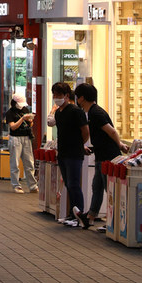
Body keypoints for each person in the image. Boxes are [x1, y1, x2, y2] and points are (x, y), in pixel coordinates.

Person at [72, 83, 129, 230]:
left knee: (108, 189)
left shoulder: (96, 113)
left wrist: (120, 145)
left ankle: (114, 221)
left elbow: (111, 131)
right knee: (97, 186)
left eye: (77, 97)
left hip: (108, 157)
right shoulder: (92, 112)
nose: (77, 99)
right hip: (101, 155)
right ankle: (90, 218)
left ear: (82, 98)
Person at [50, 82, 89, 226]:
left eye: (59, 95)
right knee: (68, 183)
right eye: (54, 95)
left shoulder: (75, 111)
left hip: (74, 153)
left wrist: (79, 145)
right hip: (63, 153)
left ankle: (79, 215)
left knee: (74, 184)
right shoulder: (58, 113)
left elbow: (85, 132)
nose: (56, 97)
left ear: (67, 96)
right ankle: (72, 215)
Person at [5, 94, 38, 194]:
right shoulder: (10, 113)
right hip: (15, 138)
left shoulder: (25, 110)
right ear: (15, 103)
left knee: (29, 162)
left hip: (26, 138)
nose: (22, 106)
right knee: (15, 163)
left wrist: (30, 120)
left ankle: (33, 186)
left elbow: (30, 124)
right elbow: (13, 127)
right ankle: (16, 185)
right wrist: (23, 119)